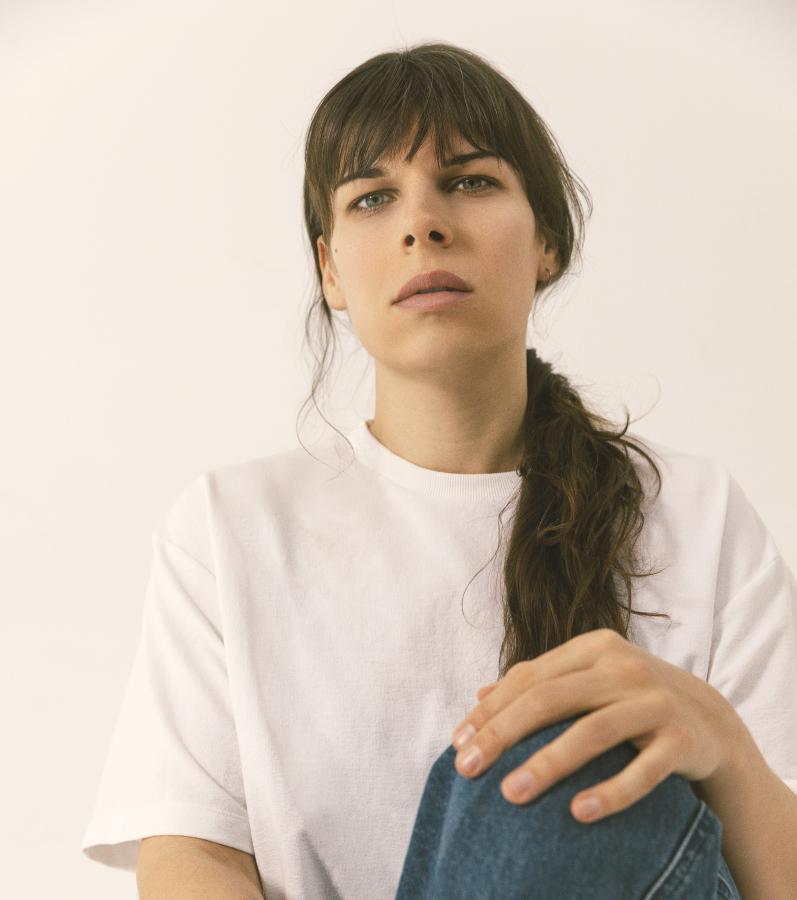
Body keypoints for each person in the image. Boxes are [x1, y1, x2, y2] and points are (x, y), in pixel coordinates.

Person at [81, 42, 797, 899]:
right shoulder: (229, 527)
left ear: (547, 242)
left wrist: (716, 737)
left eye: (468, 181)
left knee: (567, 760)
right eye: (372, 197)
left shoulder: (696, 515)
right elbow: (190, 856)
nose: (421, 224)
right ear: (330, 271)